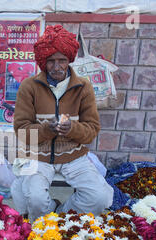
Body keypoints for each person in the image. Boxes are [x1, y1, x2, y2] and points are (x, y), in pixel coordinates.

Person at [10, 24, 113, 223]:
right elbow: (21, 130)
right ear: (43, 62)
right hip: (38, 155)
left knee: (100, 197)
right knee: (35, 199)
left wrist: (72, 129)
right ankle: (45, 220)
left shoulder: (83, 87)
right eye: (51, 62)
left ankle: (62, 215)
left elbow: (92, 129)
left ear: (69, 60)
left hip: (74, 156)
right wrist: (46, 130)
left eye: (62, 61)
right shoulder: (29, 87)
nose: (57, 67)